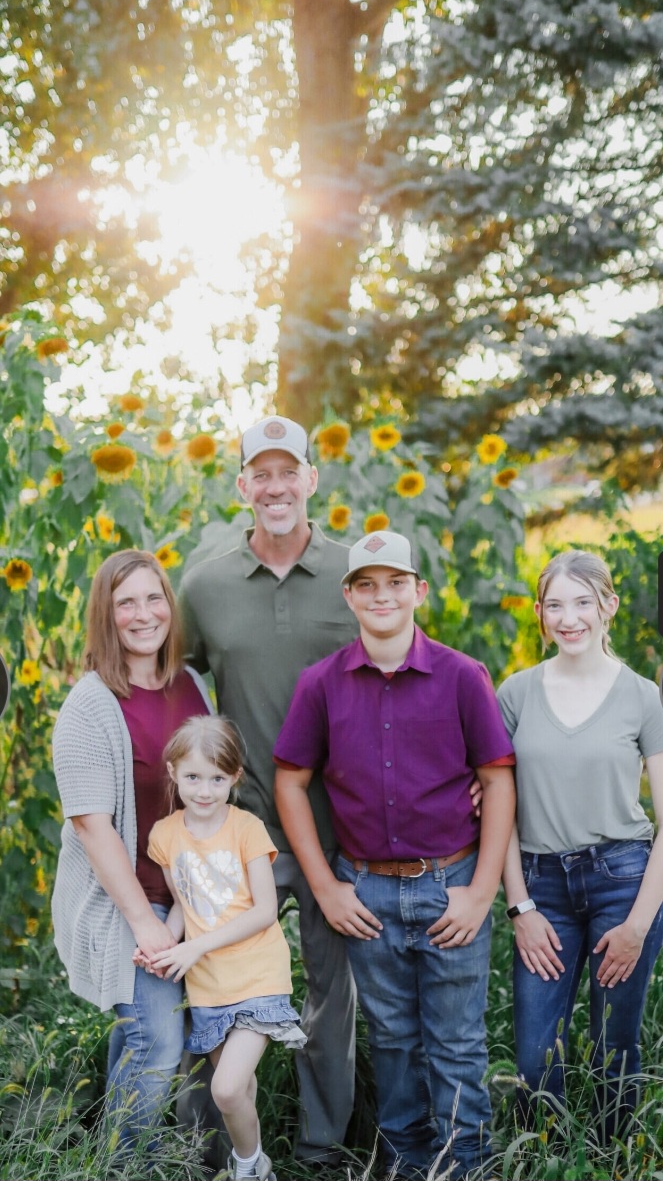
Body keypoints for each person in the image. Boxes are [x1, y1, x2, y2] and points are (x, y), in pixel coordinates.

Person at [273, 530, 516, 1181]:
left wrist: (480, 887)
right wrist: (324, 887)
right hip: (366, 893)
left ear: (418, 590)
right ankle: (409, 1163)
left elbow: (495, 778)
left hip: (450, 883)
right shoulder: (321, 684)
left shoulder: (461, 676)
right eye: (367, 584)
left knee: (456, 1043)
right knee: (394, 1043)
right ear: (348, 594)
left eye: (395, 582)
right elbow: (290, 780)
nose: (382, 595)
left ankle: (466, 1165)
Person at [178, 415, 360, 1165]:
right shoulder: (205, 585)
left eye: (290, 471)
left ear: (311, 479)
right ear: (243, 485)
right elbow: (179, 687)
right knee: (214, 989)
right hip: (238, 831)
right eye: (262, 473)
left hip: (337, 830)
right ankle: (205, 1150)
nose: (276, 486)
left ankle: (322, 1148)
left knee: (329, 1003)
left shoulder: (355, 575)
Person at [51, 549, 213, 1152]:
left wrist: (184, 910)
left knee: (146, 1031)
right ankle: (122, 1166)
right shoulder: (90, 705)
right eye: (126, 603)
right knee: (160, 1039)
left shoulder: (191, 686)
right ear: (106, 615)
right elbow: (93, 827)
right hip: (123, 904)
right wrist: (146, 924)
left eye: (154, 598)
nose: (144, 614)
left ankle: (129, 1153)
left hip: (185, 903)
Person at [498, 550, 663, 1142]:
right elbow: (500, 811)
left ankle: (618, 1159)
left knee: (615, 1045)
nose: (569, 619)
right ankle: (542, 1156)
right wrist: (520, 909)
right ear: (540, 614)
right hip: (540, 885)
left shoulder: (642, 696)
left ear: (608, 607)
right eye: (555, 606)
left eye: (583, 603)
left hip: (624, 879)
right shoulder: (514, 695)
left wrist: (639, 925)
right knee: (536, 1060)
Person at [146, 714, 306, 1181]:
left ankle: (249, 1167)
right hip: (209, 987)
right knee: (241, 1089)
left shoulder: (246, 828)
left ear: (235, 778)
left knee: (227, 1088)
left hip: (257, 975)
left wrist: (197, 948)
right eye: (193, 776)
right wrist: (165, 946)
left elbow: (264, 910)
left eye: (217, 778)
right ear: (173, 772)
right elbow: (185, 905)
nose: (204, 790)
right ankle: (258, 1160)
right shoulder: (165, 836)